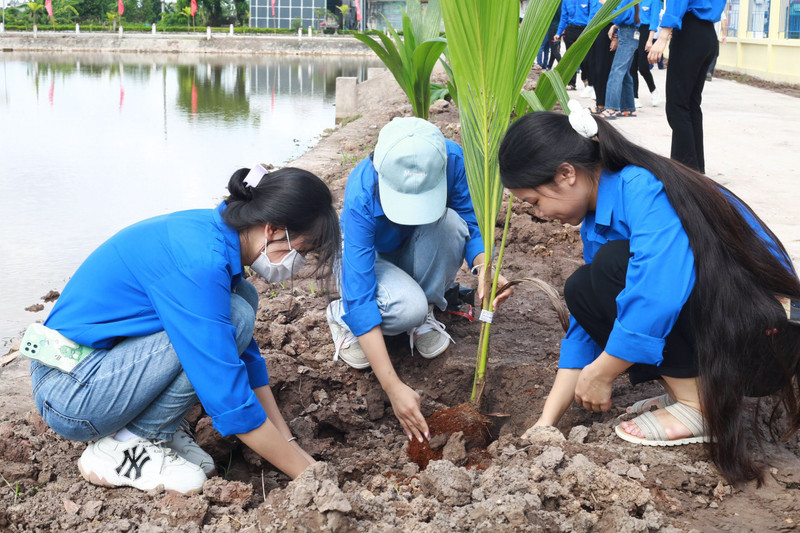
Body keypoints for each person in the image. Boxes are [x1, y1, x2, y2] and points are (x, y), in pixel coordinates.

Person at [497, 103, 800, 484]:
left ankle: (698, 406)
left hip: (767, 339)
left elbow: (660, 293)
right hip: (732, 330)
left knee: (611, 269)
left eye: (535, 202)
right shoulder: (598, 216)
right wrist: (546, 421)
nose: (538, 215)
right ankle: (690, 393)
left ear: (566, 174)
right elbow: (586, 323)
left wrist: (603, 371)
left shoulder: (641, 188)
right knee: (585, 284)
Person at [29, 165, 340, 494]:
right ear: (273, 228)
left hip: (97, 368)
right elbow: (226, 393)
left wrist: (290, 443)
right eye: (302, 250)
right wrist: (310, 479)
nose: (300, 261)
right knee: (235, 316)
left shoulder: (214, 235)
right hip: (70, 392)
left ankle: (151, 427)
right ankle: (125, 443)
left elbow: (246, 359)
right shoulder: (200, 262)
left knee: (240, 304)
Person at [326, 117, 511, 444]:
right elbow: (361, 289)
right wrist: (393, 387)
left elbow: (471, 220)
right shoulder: (363, 191)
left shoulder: (450, 160)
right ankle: (342, 316)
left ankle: (423, 309)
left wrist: (484, 266)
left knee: (452, 224)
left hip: (417, 242)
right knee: (406, 309)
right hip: (374, 258)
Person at [647, 0, 726, 172]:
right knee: (691, 105)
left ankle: (685, 173)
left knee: (677, 107)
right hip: (707, 35)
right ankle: (696, 171)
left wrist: (662, 37)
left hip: (690, 32)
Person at [600, 5, 639, 119]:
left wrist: (607, 5)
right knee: (624, 71)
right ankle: (628, 108)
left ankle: (611, 109)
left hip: (627, 32)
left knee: (616, 71)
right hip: (630, 32)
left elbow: (621, 16)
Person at [555, 0, 592, 91]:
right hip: (570, 30)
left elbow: (592, 15)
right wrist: (558, 33)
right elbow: (564, 17)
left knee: (585, 57)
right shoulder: (566, 1)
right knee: (571, 58)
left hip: (584, 30)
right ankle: (571, 83)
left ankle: (586, 80)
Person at [630, 0, 662, 106]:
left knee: (643, 67)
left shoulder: (654, 1)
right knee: (632, 66)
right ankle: (634, 97)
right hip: (633, 31)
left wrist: (650, 40)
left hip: (646, 32)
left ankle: (653, 90)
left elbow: (654, 20)